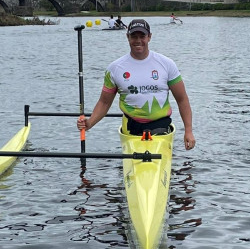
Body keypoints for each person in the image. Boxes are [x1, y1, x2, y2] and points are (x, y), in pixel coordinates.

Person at [77, 18, 195, 150]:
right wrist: (90, 123)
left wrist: (188, 131)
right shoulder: (114, 69)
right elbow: (104, 102)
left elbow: (182, 99)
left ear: (149, 37)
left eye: (142, 36)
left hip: (160, 126)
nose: (138, 40)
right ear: (127, 37)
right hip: (131, 127)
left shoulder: (167, 64)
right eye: (134, 36)